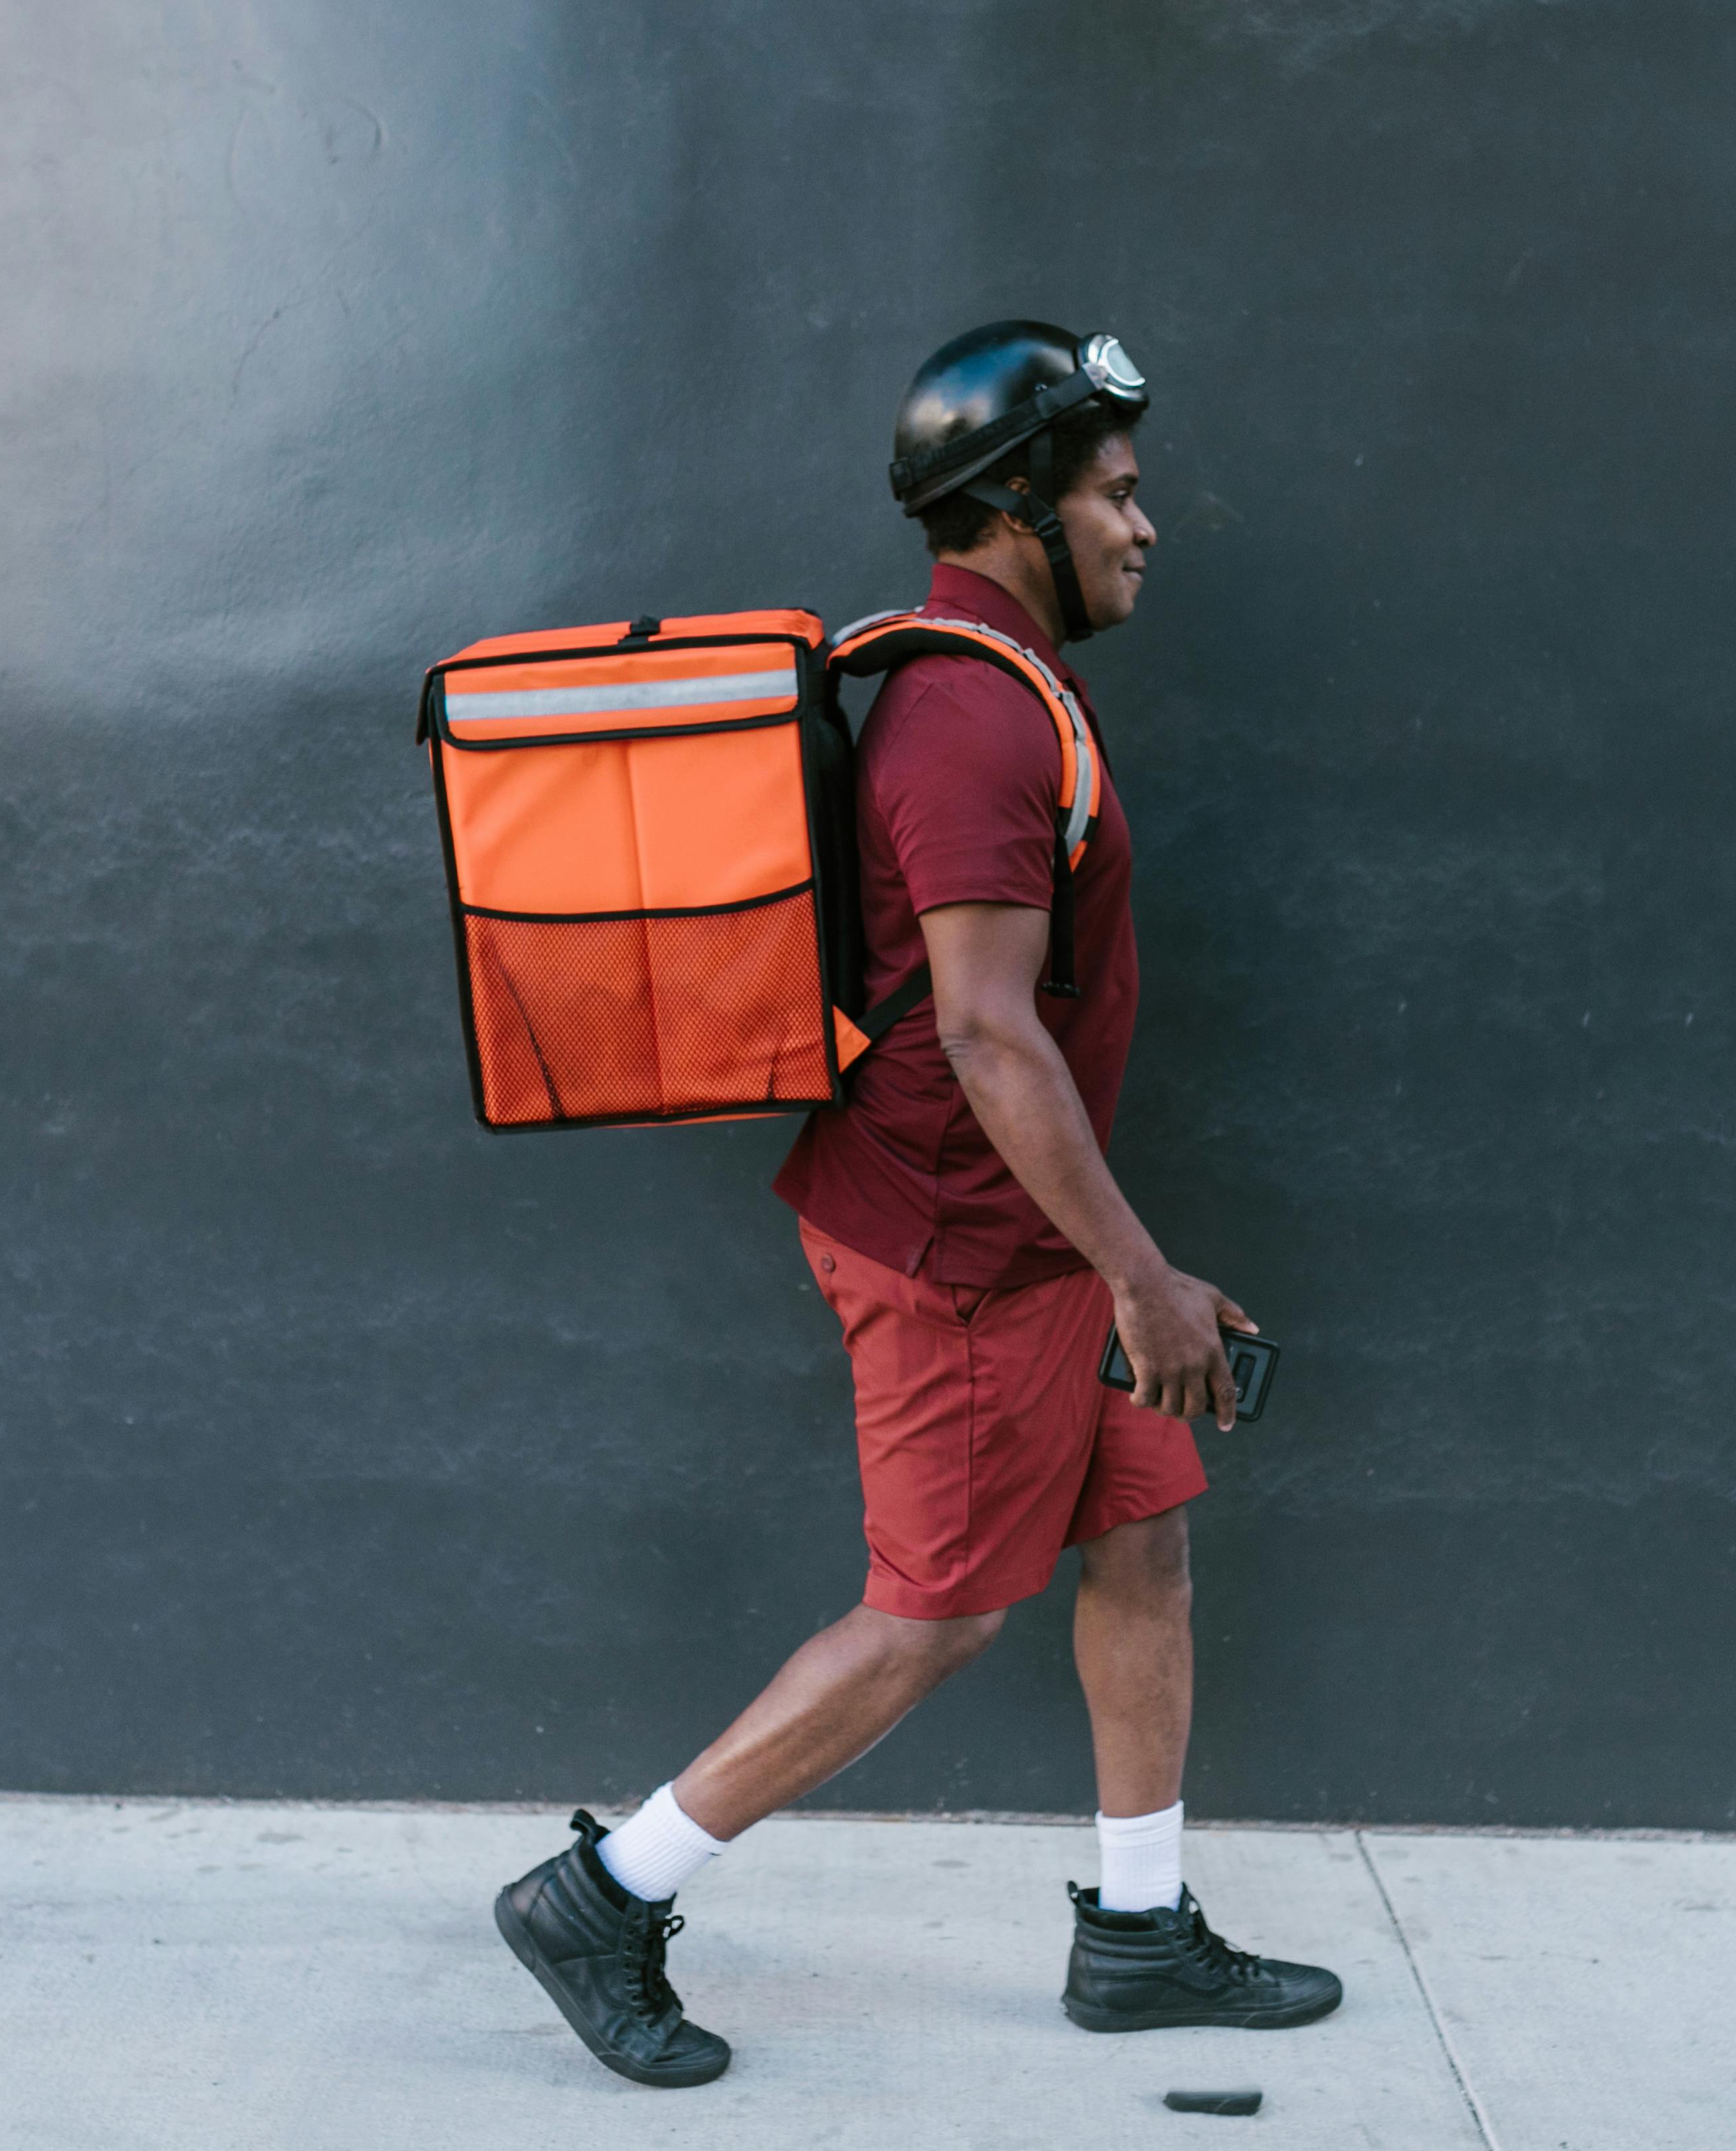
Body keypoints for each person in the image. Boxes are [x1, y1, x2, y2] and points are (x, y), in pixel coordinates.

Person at [492, 320, 1340, 2089]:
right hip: (955, 1253)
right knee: (937, 1609)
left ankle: (1133, 1932)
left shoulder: (1006, 682)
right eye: (1116, 491)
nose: (1146, 523)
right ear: (1019, 502)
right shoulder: (967, 717)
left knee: (1143, 1535)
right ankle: (606, 1890)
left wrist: (1132, 1268)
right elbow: (980, 1032)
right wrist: (1141, 1280)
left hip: (1025, 1241)